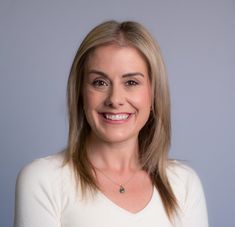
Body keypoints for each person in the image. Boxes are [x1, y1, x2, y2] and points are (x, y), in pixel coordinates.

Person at [14, 20, 208, 227]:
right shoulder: (43, 180)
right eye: (100, 82)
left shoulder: (183, 184)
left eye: (131, 82)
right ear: (80, 92)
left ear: (153, 94)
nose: (115, 99)